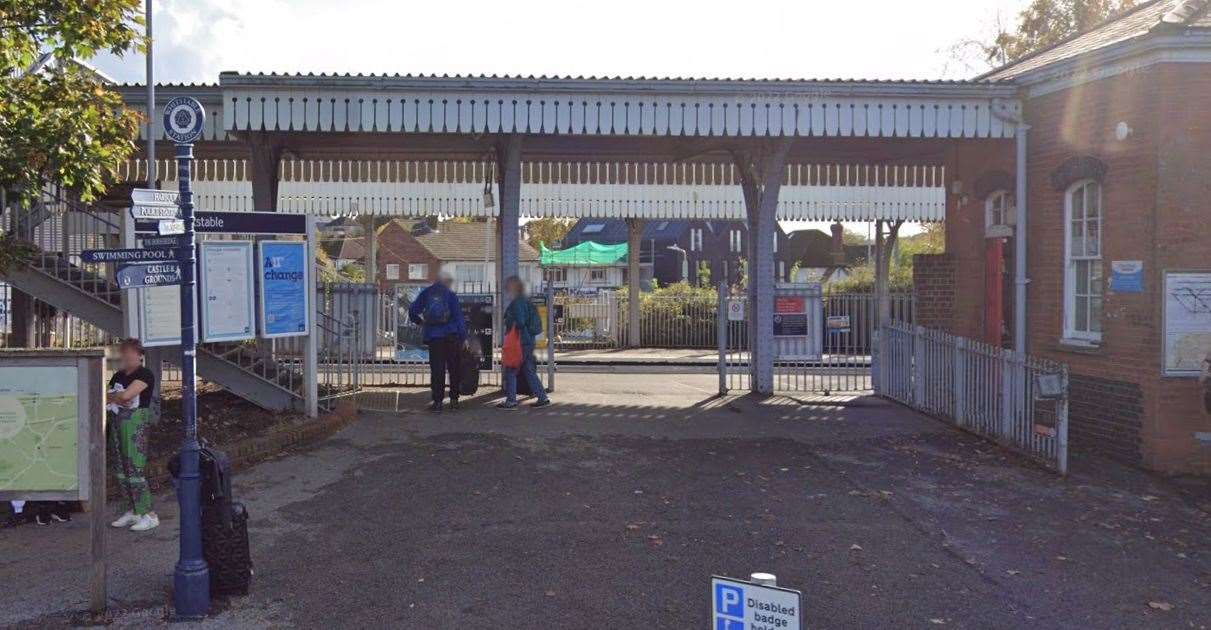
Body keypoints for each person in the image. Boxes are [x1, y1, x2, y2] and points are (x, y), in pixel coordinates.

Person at [106, 338, 159, 532]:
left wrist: (117, 397)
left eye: (130, 352)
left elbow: (127, 396)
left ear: (139, 355)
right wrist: (117, 397)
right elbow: (105, 395)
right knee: (121, 469)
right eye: (123, 352)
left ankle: (148, 514)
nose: (126, 356)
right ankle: (132, 510)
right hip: (117, 423)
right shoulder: (118, 375)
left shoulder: (145, 374)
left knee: (135, 469)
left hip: (135, 425)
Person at [408, 271, 467, 412]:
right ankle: (454, 401)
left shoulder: (426, 293)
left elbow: (412, 310)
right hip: (452, 337)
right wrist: (463, 337)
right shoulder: (451, 295)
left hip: (434, 337)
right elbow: (459, 318)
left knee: (437, 370)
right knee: (454, 369)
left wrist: (420, 322)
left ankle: (438, 403)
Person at [498, 276, 550, 409]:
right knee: (528, 370)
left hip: (519, 341)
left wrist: (509, 322)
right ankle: (542, 397)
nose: (507, 289)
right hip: (528, 340)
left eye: (509, 286)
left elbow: (520, 322)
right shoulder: (526, 301)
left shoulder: (517, 303)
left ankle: (511, 400)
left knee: (511, 370)